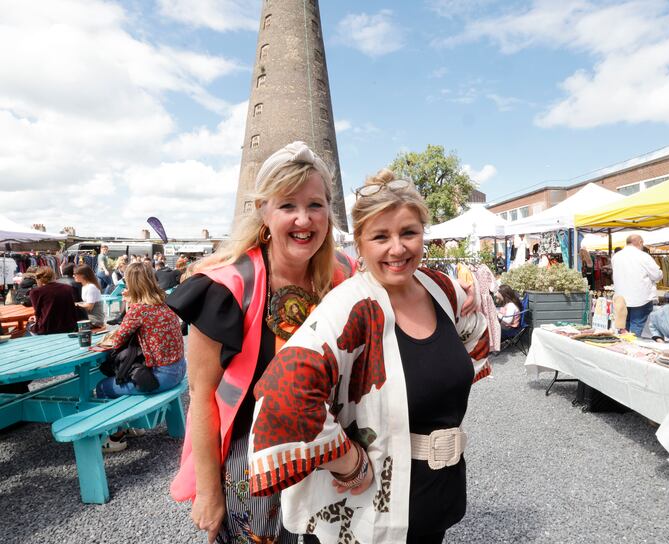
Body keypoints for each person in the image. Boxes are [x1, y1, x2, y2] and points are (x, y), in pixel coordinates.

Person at [246, 168, 490, 544]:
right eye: (381, 236)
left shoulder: (440, 289)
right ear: (359, 242)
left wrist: (473, 304)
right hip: (365, 519)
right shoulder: (350, 307)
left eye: (409, 232)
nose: (398, 248)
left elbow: (474, 334)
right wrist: (349, 463)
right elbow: (283, 397)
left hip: (436, 502)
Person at [166, 142, 358, 544]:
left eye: (316, 205)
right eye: (288, 205)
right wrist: (208, 491)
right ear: (265, 213)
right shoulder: (226, 287)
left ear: (328, 213)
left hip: (331, 450)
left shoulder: (345, 275)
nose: (304, 219)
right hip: (251, 466)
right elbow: (201, 398)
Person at [95, 262, 186, 452]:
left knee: (102, 387)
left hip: (160, 376)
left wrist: (130, 306)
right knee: (125, 379)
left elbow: (118, 340)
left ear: (132, 284)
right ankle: (131, 426)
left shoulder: (139, 310)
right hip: (179, 370)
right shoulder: (164, 303)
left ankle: (116, 436)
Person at [611, 234, 663, 336]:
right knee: (636, 329)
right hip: (640, 298)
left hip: (621, 298)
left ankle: (623, 349)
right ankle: (633, 348)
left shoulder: (616, 256)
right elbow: (657, 275)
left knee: (623, 328)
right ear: (640, 242)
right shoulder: (643, 256)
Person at [27, 267, 78, 335]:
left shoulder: (36, 292)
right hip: (69, 327)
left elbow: (38, 312)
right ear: (53, 276)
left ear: (38, 279)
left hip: (47, 328)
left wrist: (34, 320)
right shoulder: (68, 288)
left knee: (28, 325)